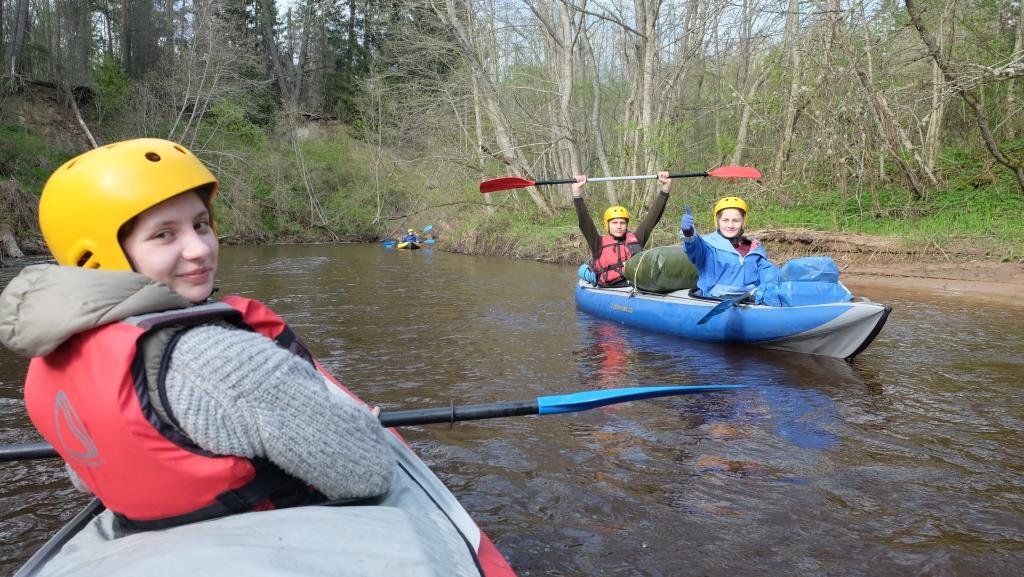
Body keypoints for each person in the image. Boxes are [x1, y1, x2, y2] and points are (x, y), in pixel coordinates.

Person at [0, 138, 394, 534]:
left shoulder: (50, 359)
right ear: (97, 253)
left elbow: (87, 477)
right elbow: (367, 473)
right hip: (273, 538)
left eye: (201, 224)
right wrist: (358, 424)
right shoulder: (216, 357)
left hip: (145, 542)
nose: (199, 249)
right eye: (164, 235)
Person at [572, 171, 673, 286]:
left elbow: (653, 217)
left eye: (622, 223)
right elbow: (585, 222)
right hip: (611, 287)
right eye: (615, 223)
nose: (619, 226)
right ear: (607, 225)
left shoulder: (636, 238)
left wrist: (666, 187)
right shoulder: (597, 243)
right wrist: (577, 192)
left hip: (634, 284)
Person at [678, 196, 778, 298]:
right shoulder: (707, 246)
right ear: (717, 221)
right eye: (725, 220)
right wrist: (689, 233)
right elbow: (694, 248)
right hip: (715, 299)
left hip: (750, 299)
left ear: (743, 222)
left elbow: (768, 273)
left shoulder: (754, 248)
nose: (730, 225)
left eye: (736, 220)